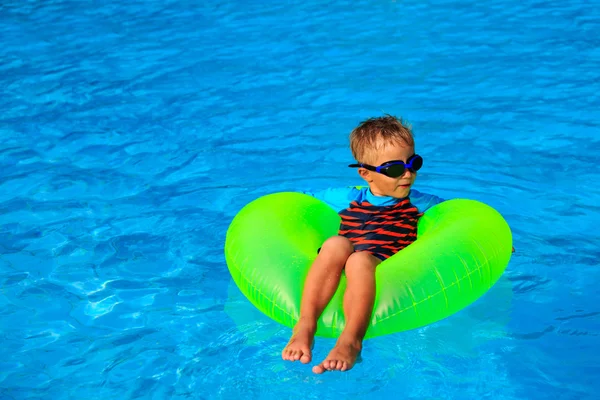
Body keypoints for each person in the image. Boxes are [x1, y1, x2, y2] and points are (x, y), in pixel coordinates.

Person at [281, 115, 445, 374]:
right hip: (342, 262)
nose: (407, 174)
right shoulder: (346, 197)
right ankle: (305, 325)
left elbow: (456, 220)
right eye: (393, 169)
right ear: (366, 174)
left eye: (414, 163)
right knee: (336, 243)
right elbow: (298, 202)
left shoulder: (422, 203)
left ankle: (351, 340)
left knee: (359, 259)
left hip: (382, 266)